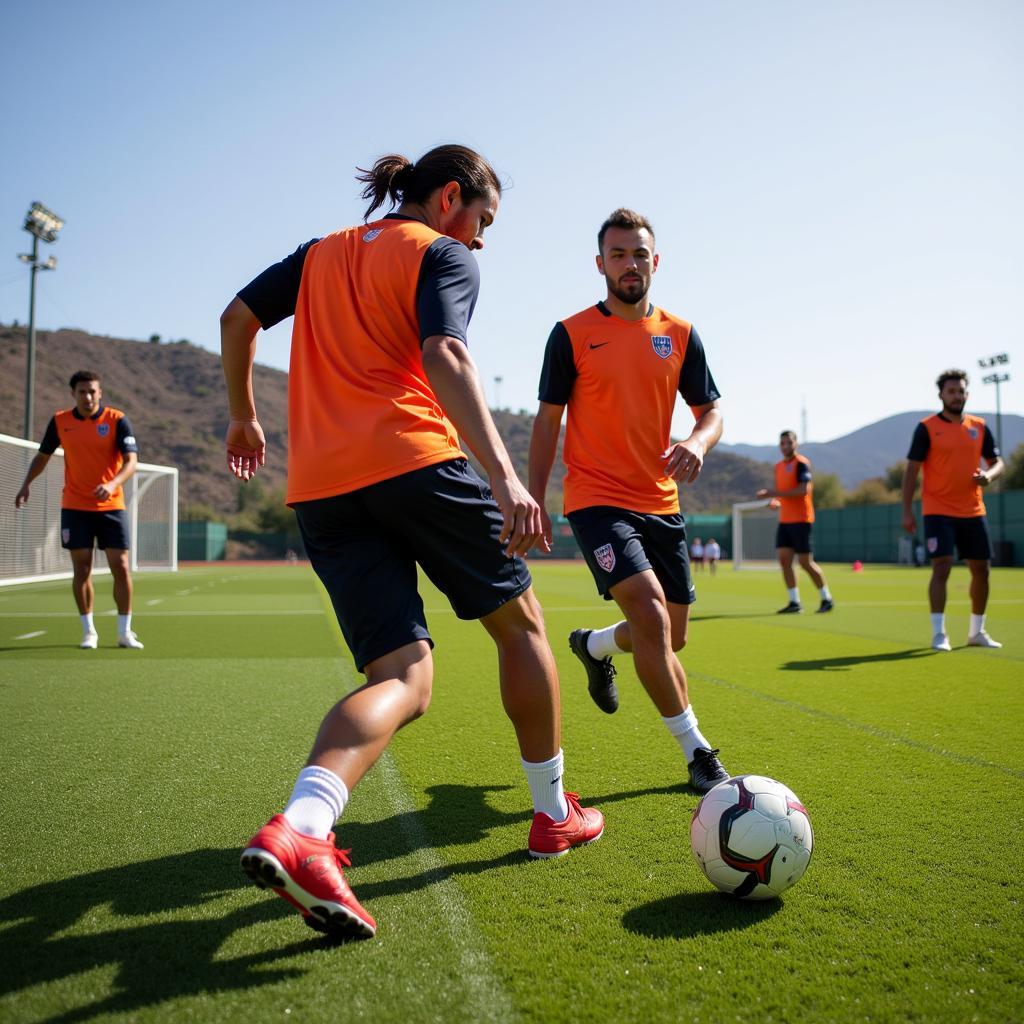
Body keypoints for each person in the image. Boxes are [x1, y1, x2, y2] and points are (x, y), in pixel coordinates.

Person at [221, 145, 602, 942]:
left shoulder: (320, 254)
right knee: (523, 626)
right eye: (483, 221)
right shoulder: (441, 254)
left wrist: (244, 415)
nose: (482, 241)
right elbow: (445, 353)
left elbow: (236, 318)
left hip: (322, 488)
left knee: (404, 676)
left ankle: (303, 827)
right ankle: (550, 814)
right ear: (450, 198)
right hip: (417, 462)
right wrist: (506, 477)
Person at [528, 207, 729, 794]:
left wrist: (696, 440)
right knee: (648, 614)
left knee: (672, 634)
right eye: (618, 254)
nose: (629, 264)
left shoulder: (681, 334)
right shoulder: (570, 334)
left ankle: (592, 646)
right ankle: (699, 754)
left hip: (661, 502)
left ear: (655, 261)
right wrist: (535, 497)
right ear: (600, 264)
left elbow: (712, 410)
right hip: (596, 498)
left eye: (639, 253)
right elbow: (547, 422)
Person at [14, 370, 144, 649]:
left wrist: (111, 485)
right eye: (82, 392)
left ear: (101, 393)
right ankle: (89, 632)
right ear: (73, 394)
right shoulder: (61, 421)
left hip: (111, 505)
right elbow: (43, 456)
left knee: (120, 566)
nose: (88, 396)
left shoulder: (117, 420)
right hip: (75, 506)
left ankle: (124, 632)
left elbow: (131, 462)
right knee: (81, 569)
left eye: (92, 391)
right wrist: (26, 484)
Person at [901, 369, 1004, 651]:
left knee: (981, 569)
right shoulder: (927, 427)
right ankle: (939, 634)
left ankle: (976, 632)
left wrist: (989, 476)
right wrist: (907, 510)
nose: (957, 396)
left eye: (961, 391)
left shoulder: (979, 426)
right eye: (951, 392)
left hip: (972, 509)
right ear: (941, 395)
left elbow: (998, 462)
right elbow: (911, 471)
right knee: (942, 566)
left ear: (966, 394)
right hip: (938, 510)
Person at [756, 430, 834, 614]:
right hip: (785, 521)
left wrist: (773, 494)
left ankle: (826, 598)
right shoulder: (778, 467)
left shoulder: (801, 464)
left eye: (789, 442)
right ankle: (794, 602)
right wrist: (776, 502)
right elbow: (786, 493)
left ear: (795, 444)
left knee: (806, 562)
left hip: (801, 520)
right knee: (784, 561)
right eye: (782, 443)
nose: (785, 446)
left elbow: (802, 490)